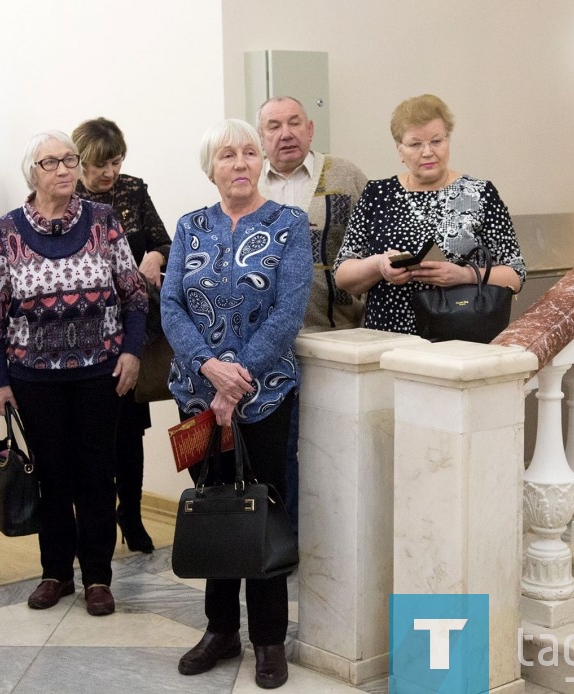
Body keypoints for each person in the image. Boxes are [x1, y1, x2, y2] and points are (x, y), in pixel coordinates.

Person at [162, 119, 311, 690]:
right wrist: (208, 369)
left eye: (251, 152)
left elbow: (288, 309)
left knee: (263, 508)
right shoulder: (190, 225)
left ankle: (269, 640)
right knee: (214, 506)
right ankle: (220, 630)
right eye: (229, 155)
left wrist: (237, 379)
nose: (242, 162)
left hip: (265, 395)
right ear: (211, 169)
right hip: (196, 394)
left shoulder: (289, 224)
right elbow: (172, 305)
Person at [0, 130, 148, 617]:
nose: (64, 170)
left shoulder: (102, 219)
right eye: (51, 162)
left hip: (101, 373)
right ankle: (55, 572)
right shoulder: (7, 230)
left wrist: (132, 353)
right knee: (50, 477)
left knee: (98, 475)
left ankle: (97, 576)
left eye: (69, 160)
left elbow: (134, 293)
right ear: (32, 172)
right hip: (32, 377)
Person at [256, 96, 369, 533]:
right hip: (268, 348)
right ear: (261, 137)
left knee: (335, 449)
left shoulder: (345, 175)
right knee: (280, 451)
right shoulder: (251, 182)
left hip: (337, 341)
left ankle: (335, 544)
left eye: (293, 123)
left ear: (310, 128)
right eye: (273, 126)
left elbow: (375, 242)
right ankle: (288, 542)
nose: (285, 133)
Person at [334, 94, 526, 333]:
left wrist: (463, 275)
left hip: (459, 341)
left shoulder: (479, 193)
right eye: (415, 144)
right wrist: (379, 265)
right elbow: (342, 275)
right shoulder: (377, 194)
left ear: (448, 141)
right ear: (399, 150)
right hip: (387, 341)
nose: (427, 152)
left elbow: (515, 275)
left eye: (436, 141)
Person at [71, 117, 171, 554]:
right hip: (84, 334)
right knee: (89, 435)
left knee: (130, 433)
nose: (108, 172)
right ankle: (93, 524)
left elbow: (167, 243)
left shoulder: (132, 190)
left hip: (133, 331)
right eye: (99, 165)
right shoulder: (62, 198)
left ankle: (130, 516)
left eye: (115, 161)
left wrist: (153, 254)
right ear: (78, 163)